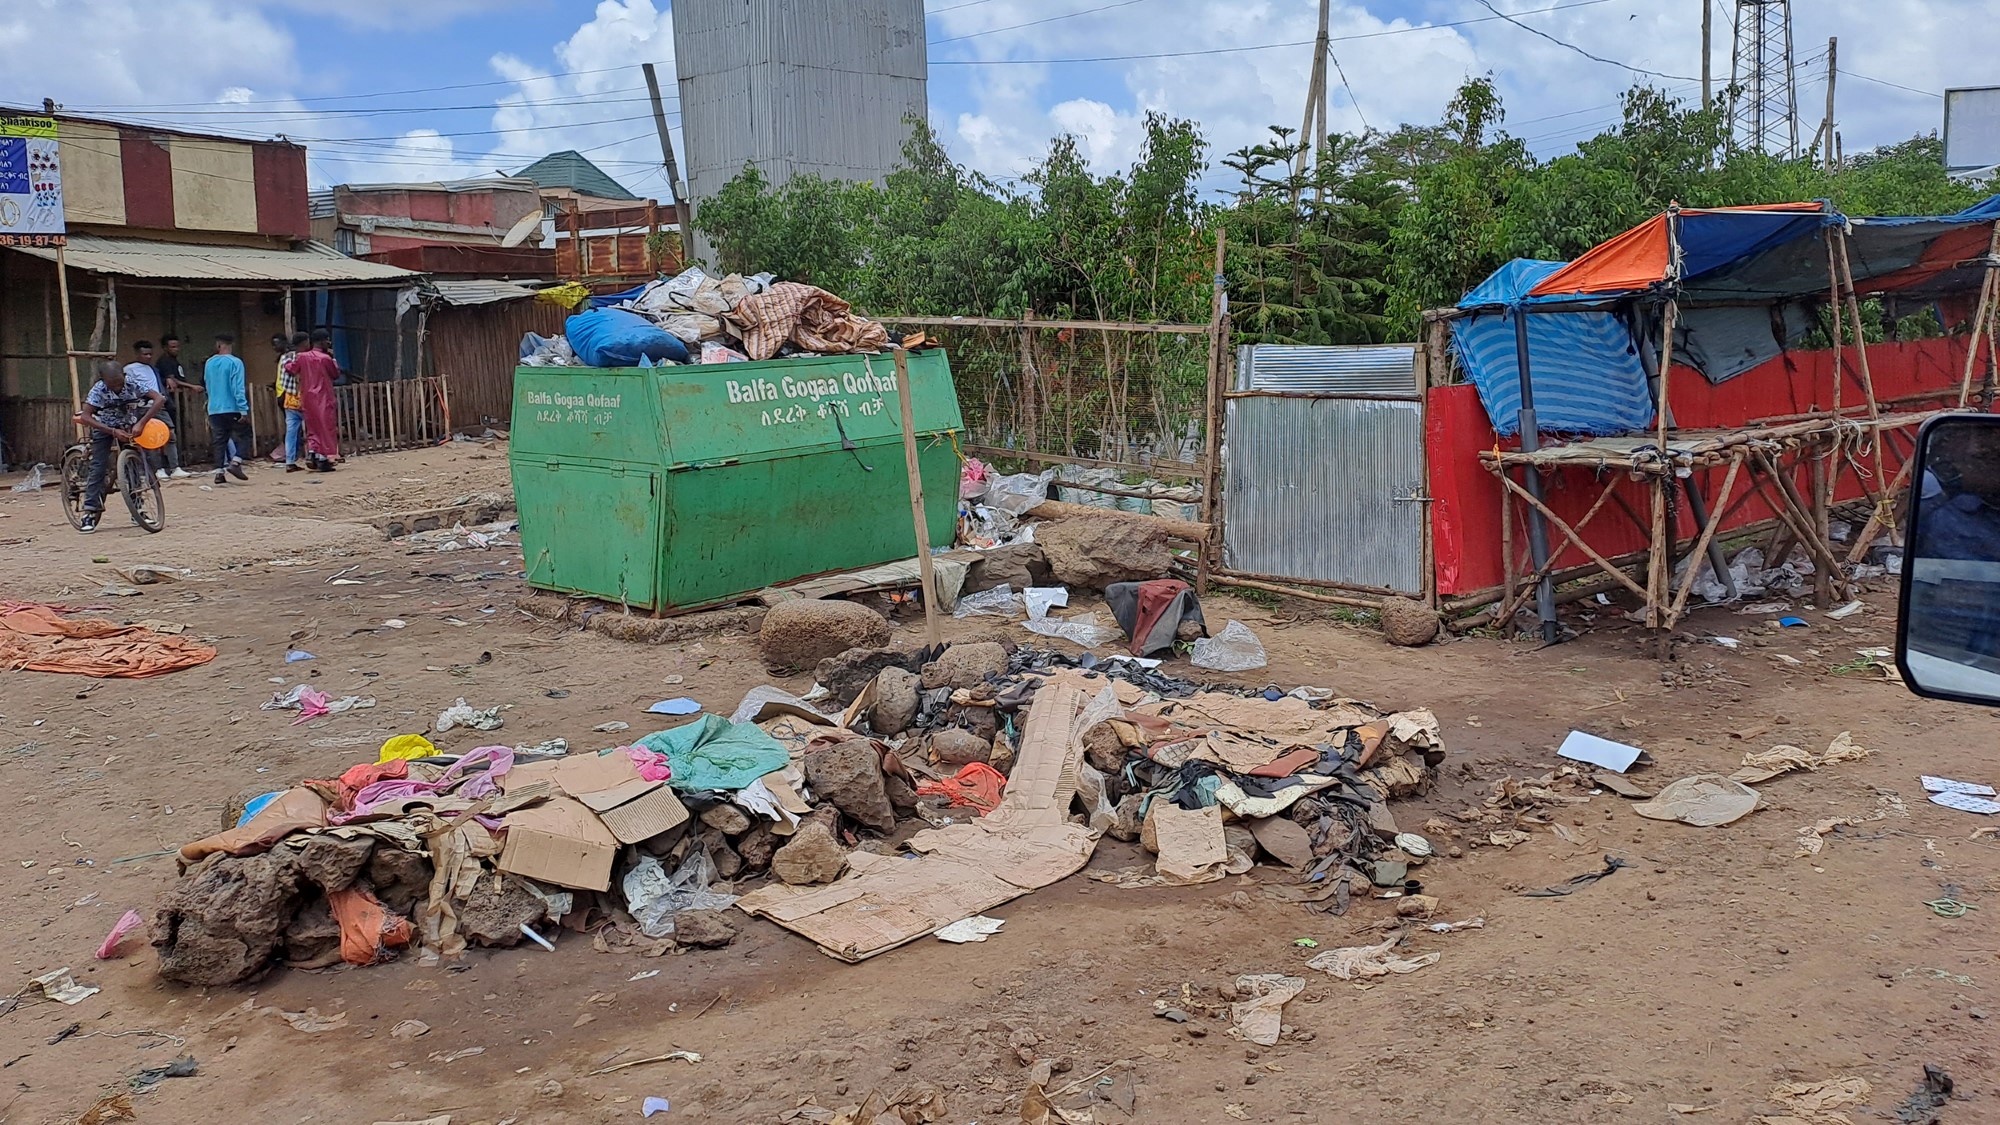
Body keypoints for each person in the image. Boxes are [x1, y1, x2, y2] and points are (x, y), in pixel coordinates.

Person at [75, 359, 165, 534]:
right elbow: (86, 417)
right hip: (104, 429)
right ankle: (90, 512)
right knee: (98, 467)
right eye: (112, 384)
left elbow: (159, 399)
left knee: (133, 466)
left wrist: (141, 423)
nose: (116, 387)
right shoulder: (98, 390)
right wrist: (112, 431)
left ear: (124, 377)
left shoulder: (133, 384)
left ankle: (137, 509)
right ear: (103, 380)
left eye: (119, 383)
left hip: (129, 427)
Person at [124, 340, 189, 480]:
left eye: (150, 354)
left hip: (159, 405)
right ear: (137, 354)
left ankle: (175, 467)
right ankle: (157, 469)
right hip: (144, 408)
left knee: (170, 435)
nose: (148, 357)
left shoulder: (153, 369)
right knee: (151, 438)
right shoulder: (130, 369)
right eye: (145, 354)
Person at [291, 328, 342, 472]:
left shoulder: (302, 357)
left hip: (307, 397)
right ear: (322, 341)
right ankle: (323, 458)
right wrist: (333, 358)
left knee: (313, 427)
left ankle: (313, 452)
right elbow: (335, 374)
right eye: (327, 340)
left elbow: (291, 369)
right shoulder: (325, 358)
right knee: (326, 427)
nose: (329, 342)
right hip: (323, 397)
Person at [203, 333, 251, 485]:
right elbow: (238, 388)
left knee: (219, 440)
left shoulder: (209, 363)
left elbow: (207, 383)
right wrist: (243, 409)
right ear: (231, 345)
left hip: (214, 408)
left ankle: (219, 473)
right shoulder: (235, 362)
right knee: (246, 435)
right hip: (231, 407)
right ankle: (236, 463)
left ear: (218, 346)